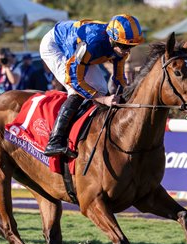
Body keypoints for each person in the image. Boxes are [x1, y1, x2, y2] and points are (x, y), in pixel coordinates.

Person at [40, 14, 144, 157]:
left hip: (80, 50)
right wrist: (103, 100)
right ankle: (54, 141)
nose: (127, 51)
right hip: (55, 45)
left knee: (101, 87)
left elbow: (119, 78)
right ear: (112, 39)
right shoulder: (91, 44)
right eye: (124, 46)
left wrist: (130, 96)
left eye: (131, 46)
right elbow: (75, 80)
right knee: (76, 91)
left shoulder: (120, 46)